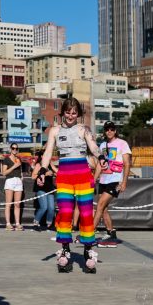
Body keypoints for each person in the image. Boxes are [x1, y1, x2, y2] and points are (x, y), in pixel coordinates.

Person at [41, 97, 102, 273]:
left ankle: (88, 250)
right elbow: (47, 152)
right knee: (65, 213)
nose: (70, 116)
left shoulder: (84, 129)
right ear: (63, 113)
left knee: (85, 214)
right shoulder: (54, 130)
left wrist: (102, 157)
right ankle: (65, 250)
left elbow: (93, 146)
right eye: (68, 112)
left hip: (83, 175)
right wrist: (43, 170)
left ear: (79, 114)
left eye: (74, 113)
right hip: (65, 176)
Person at [95, 122, 131, 247]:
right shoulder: (103, 145)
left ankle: (89, 233)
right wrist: (94, 179)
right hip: (104, 180)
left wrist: (124, 181)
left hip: (115, 180)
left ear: (115, 131)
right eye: (107, 129)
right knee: (104, 209)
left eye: (112, 129)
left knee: (99, 206)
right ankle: (111, 234)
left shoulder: (122, 143)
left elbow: (127, 163)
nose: (109, 131)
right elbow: (100, 164)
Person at [0, 143, 26, 230]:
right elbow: (4, 173)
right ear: (10, 149)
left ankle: (17, 223)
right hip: (10, 180)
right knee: (8, 204)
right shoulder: (6, 159)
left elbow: (20, 170)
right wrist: (14, 166)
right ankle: (8, 224)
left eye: (16, 148)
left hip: (18, 180)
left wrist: (21, 176)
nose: (15, 150)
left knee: (17, 204)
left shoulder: (18, 159)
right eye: (13, 148)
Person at [31, 151, 56, 231]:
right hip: (41, 188)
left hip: (50, 188)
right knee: (44, 207)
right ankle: (35, 223)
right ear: (42, 156)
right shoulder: (39, 165)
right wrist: (45, 174)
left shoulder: (50, 164)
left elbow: (55, 172)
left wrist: (52, 173)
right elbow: (33, 176)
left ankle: (49, 224)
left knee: (51, 208)